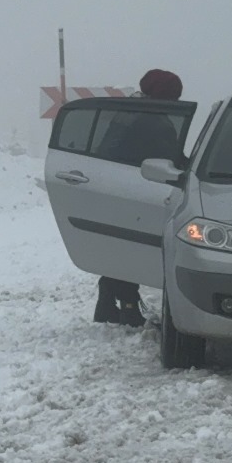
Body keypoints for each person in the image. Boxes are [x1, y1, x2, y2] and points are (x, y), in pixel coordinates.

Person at [95, 68, 184, 327]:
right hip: (139, 189)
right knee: (130, 250)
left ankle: (109, 304)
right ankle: (128, 308)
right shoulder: (154, 121)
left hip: (115, 186)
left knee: (120, 247)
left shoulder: (128, 113)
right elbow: (169, 158)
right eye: (174, 97)